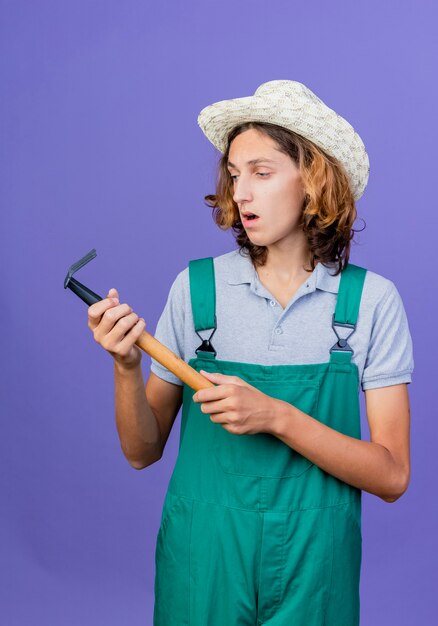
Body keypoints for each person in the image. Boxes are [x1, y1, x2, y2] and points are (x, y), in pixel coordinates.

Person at [87, 80, 414, 625]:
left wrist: (277, 417)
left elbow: (391, 476)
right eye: (235, 176)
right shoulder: (197, 291)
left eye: (262, 173)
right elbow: (142, 451)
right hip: (203, 565)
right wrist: (126, 367)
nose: (241, 194)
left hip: (317, 570)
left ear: (314, 182)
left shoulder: (371, 302)